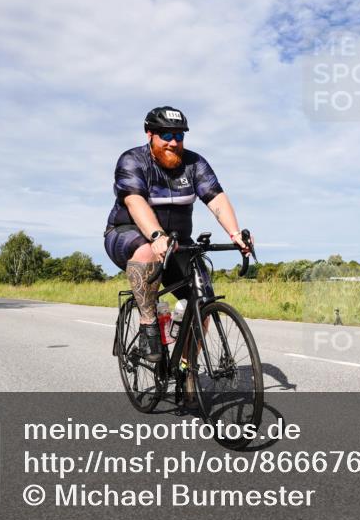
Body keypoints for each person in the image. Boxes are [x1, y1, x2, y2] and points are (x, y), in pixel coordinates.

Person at [104, 106, 250, 363]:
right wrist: (156, 235)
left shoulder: (194, 163)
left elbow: (215, 198)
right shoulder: (132, 160)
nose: (174, 142)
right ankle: (149, 323)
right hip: (127, 233)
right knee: (148, 250)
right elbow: (135, 201)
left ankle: (186, 371)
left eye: (179, 136)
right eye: (166, 136)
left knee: (202, 300)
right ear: (150, 133)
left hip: (178, 242)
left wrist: (235, 233)